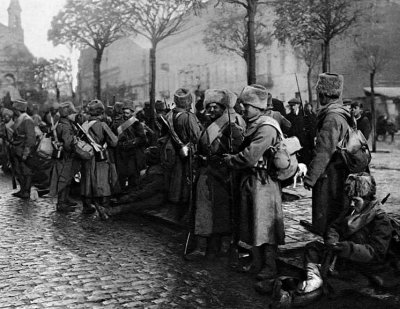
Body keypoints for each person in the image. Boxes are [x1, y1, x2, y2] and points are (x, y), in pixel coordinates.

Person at [224, 84, 285, 281]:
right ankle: (256, 261)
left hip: (264, 182)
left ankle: (270, 266)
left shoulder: (266, 127)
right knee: (252, 223)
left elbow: (250, 157)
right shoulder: (253, 124)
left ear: (258, 108)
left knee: (265, 226)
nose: (243, 109)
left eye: (247, 106)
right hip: (252, 181)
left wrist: (230, 160)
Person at [298, 173, 395, 294]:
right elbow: (334, 227)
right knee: (312, 248)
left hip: (362, 263)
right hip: (341, 255)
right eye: (350, 200)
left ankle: (320, 280)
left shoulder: (380, 219)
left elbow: (377, 252)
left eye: (355, 200)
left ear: (367, 198)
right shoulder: (351, 211)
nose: (352, 204)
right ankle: (315, 278)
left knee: (350, 281)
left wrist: (349, 248)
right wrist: (332, 241)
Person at [186, 89, 246, 260]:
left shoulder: (231, 126)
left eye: (216, 107)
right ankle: (201, 247)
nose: (211, 111)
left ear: (223, 108)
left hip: (222, 175)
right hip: (205, 173)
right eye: (209, 107)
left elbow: (238, 149)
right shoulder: (207, 125)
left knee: (222, 212)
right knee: (203, 210)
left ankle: (221, 247)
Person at [304, 73, 355, 234]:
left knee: (328, 216)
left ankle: (332, 251)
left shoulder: (332, 117)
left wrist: (310, 178)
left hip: (332, 175)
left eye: (319, 93)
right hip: (339, 172)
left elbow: (324, 151)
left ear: (324, 94)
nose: (318, 97)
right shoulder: (340, 113)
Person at [166, 88, 202, 220]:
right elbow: (197, 137)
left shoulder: (170, 115)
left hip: (177, 153)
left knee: (178, 183)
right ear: (188, 101)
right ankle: (187, 215)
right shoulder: (188, 117)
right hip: (189, 153)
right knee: (188, 184)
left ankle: (177, 213)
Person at [80, 99, 118, 214]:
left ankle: (87, 205)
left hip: (87, 156)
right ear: (101, 112)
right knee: (102, 180)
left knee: (87, 179)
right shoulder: (103, 125)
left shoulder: (84, 124)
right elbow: (114, 142)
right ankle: (104, 206)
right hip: (100, 157)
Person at [106, 146, 167, 215]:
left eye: (146, 157)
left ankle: (112, 211)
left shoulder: (157, 173)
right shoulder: (152, 169)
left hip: (155, 198)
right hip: (150, 196)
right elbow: (141, 187)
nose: (144, 159)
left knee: (133, 206)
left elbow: (147, 191)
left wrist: (128, 197)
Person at [49, 101, 81, 213]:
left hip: (62, 155)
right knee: (64, 178)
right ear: (68, 114)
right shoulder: (66, 126)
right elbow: (68, 144)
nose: (75, 116)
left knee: (67, 177)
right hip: (66, 156)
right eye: (73, 114)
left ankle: (65, 199)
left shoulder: (60, 123)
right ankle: (61, 203)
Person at [114, 99, 146, 191]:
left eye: (127, 113)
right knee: (122, 176)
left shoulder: (136, 123)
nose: (125, 115)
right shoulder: (118, 123)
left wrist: (131, 143)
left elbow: (143, 139)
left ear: (132, 112)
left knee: (133, 177)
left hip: (133, 154)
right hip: (122, 154)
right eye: (124, 112)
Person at [9, 99, 36, 199]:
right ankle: (22, 190)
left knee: (26, 171)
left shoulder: (27, 119)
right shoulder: (20, 118)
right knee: (18, 170)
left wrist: (26, 151)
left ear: (17, 109)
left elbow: (31, 137)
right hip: (17, 148)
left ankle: (26, 192)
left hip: (23, 148)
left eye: (15, 109)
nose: (14, 111)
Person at [286, 98, 306, 164]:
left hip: (304, 142)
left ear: (298, 105)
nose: (292, 107)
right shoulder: (288, 116)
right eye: (291, 106)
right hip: (293, 142)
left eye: (294, 105)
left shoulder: (304, 115)